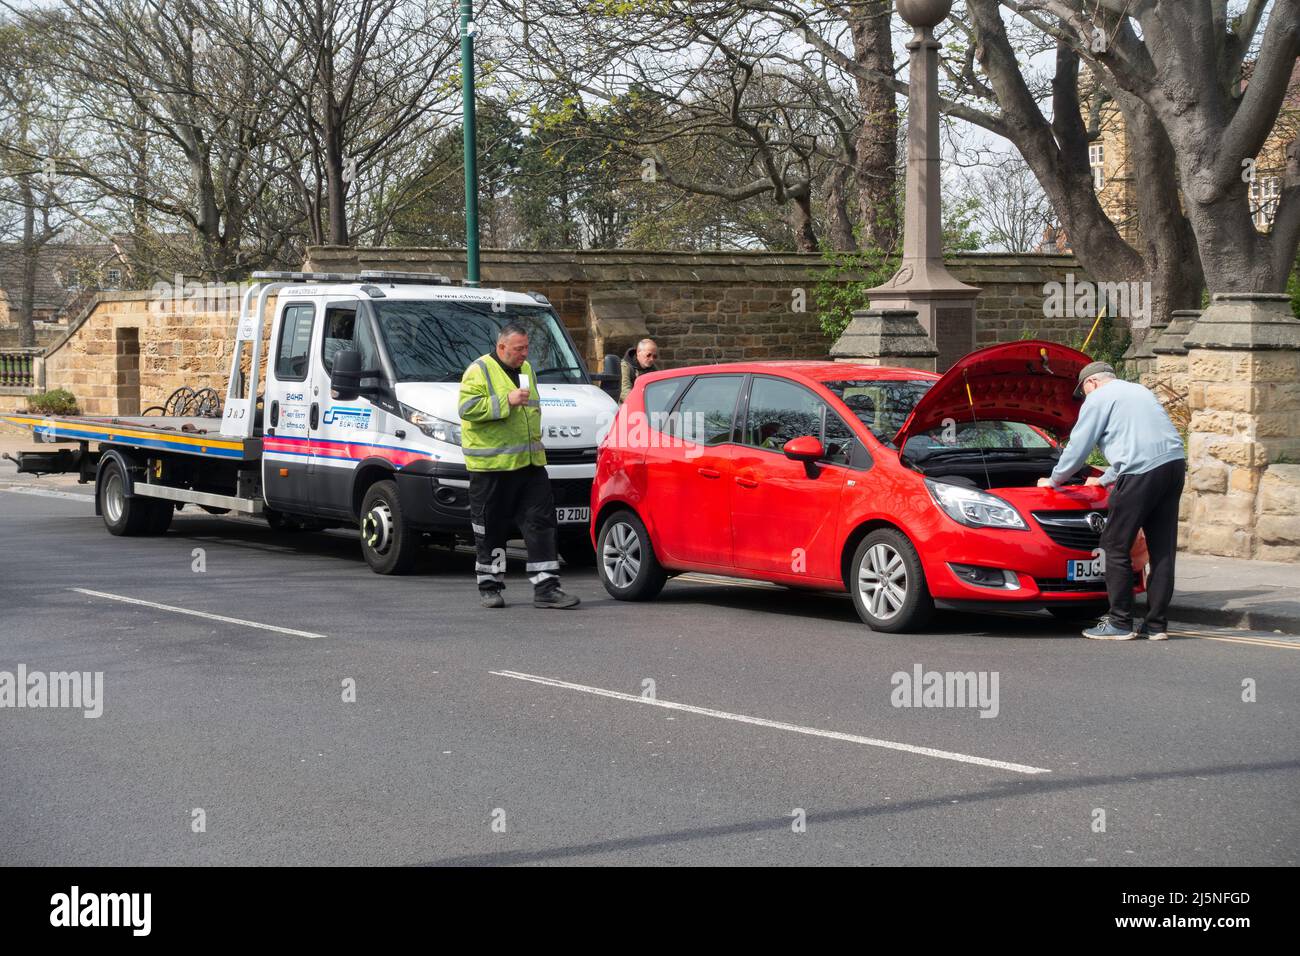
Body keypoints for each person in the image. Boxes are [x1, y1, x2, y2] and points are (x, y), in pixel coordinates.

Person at [1038, 361, 1186, 641]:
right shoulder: (1139, 391)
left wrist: (1054, 480)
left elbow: (1078, 448)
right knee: (1162, 549)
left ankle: (1119, 622)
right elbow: (1138, 441)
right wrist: (1105, 479)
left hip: (1141, 472)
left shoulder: (1098, 399)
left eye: (1084, 392)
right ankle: (1156, 625)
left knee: (1113, 544)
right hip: (1173, 465)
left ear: (1090, 384)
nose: (1085, 398)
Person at [458, 324, 580, 610]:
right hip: (492, 467)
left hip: (529, 464)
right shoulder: (479, 370)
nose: (524, 354)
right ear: (501, 348)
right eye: (518, 349)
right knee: (491, 529)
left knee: (541, 524)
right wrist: (506, 401)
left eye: (526, 348)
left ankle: (547, 588)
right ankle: (490, 586)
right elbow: (466, 409)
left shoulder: (526, 370)